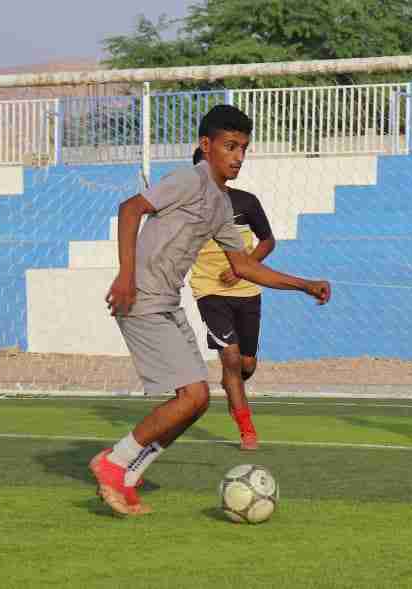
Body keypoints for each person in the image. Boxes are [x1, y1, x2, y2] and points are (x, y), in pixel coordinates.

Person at [90, 105, 331, 516]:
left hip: (167, 301)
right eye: (230, 146)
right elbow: (130, 209)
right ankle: (114, 463)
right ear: (206, 145)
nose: (238, 157)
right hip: (141, 297)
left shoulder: (221, 205)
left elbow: (245, 267)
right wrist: (125, 275)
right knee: (193, 395)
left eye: (243, 148)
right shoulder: (189, 180)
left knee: (197, 402)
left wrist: (303, 284)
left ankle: (129, 475)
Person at [190, 146, 275, 451]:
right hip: (209, 291)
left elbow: (268, 241)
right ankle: (246, 430)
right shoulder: (187, 206)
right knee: (230, 358)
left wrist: (243, 268)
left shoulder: (246, 201)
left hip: (247, 290)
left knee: (247, 364)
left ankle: (232, 383)